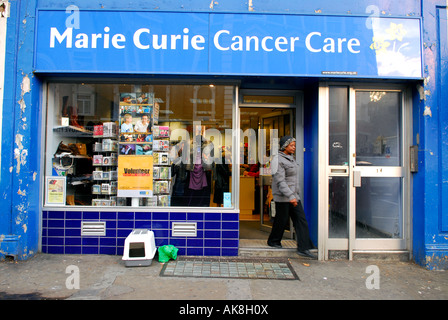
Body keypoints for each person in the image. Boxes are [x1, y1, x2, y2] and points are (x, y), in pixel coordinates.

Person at [267, 135, 317, 259]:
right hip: (284, 197)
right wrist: (290, 196)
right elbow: (280, 181)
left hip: (293, 196)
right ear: (285, 146)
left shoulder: (291, 159)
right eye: (292, 145)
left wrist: (294, 195)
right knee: (281, 220)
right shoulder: (277, 160)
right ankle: (273, 241)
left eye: (294, 145)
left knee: (301, 220)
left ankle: (303, 247)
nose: (294, 147)